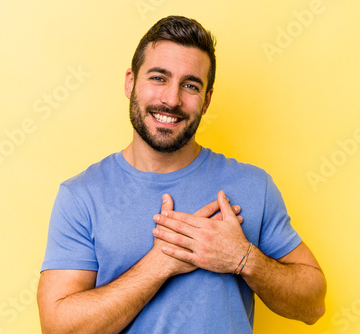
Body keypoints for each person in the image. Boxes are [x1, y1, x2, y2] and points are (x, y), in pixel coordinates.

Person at [37, 15, 326, 334]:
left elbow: (313, 306)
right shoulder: (81, 196)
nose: (171, 99)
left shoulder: (253, 186)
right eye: (159, 78)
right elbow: (59, 329)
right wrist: (161, 263)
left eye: (190, 85)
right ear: (130, 82)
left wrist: (243, 258)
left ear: (206, 100)